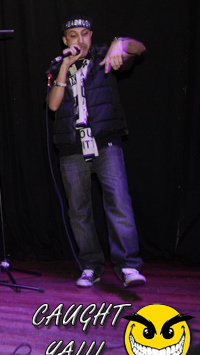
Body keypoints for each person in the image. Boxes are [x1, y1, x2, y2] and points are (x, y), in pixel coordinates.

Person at [47, 15, 147, 288]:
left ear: (91, 35)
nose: (80, 40)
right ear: (65, 40)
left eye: (85, 33)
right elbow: (53, 105)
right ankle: (91, 265)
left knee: (119, 203)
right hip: (72, 147)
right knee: (79, 211)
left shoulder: (105, 55)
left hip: (105, 142)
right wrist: (64, 67)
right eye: (73, 35)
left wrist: (120, 43)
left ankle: (128, 265)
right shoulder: (57, 65)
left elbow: (140, 49)